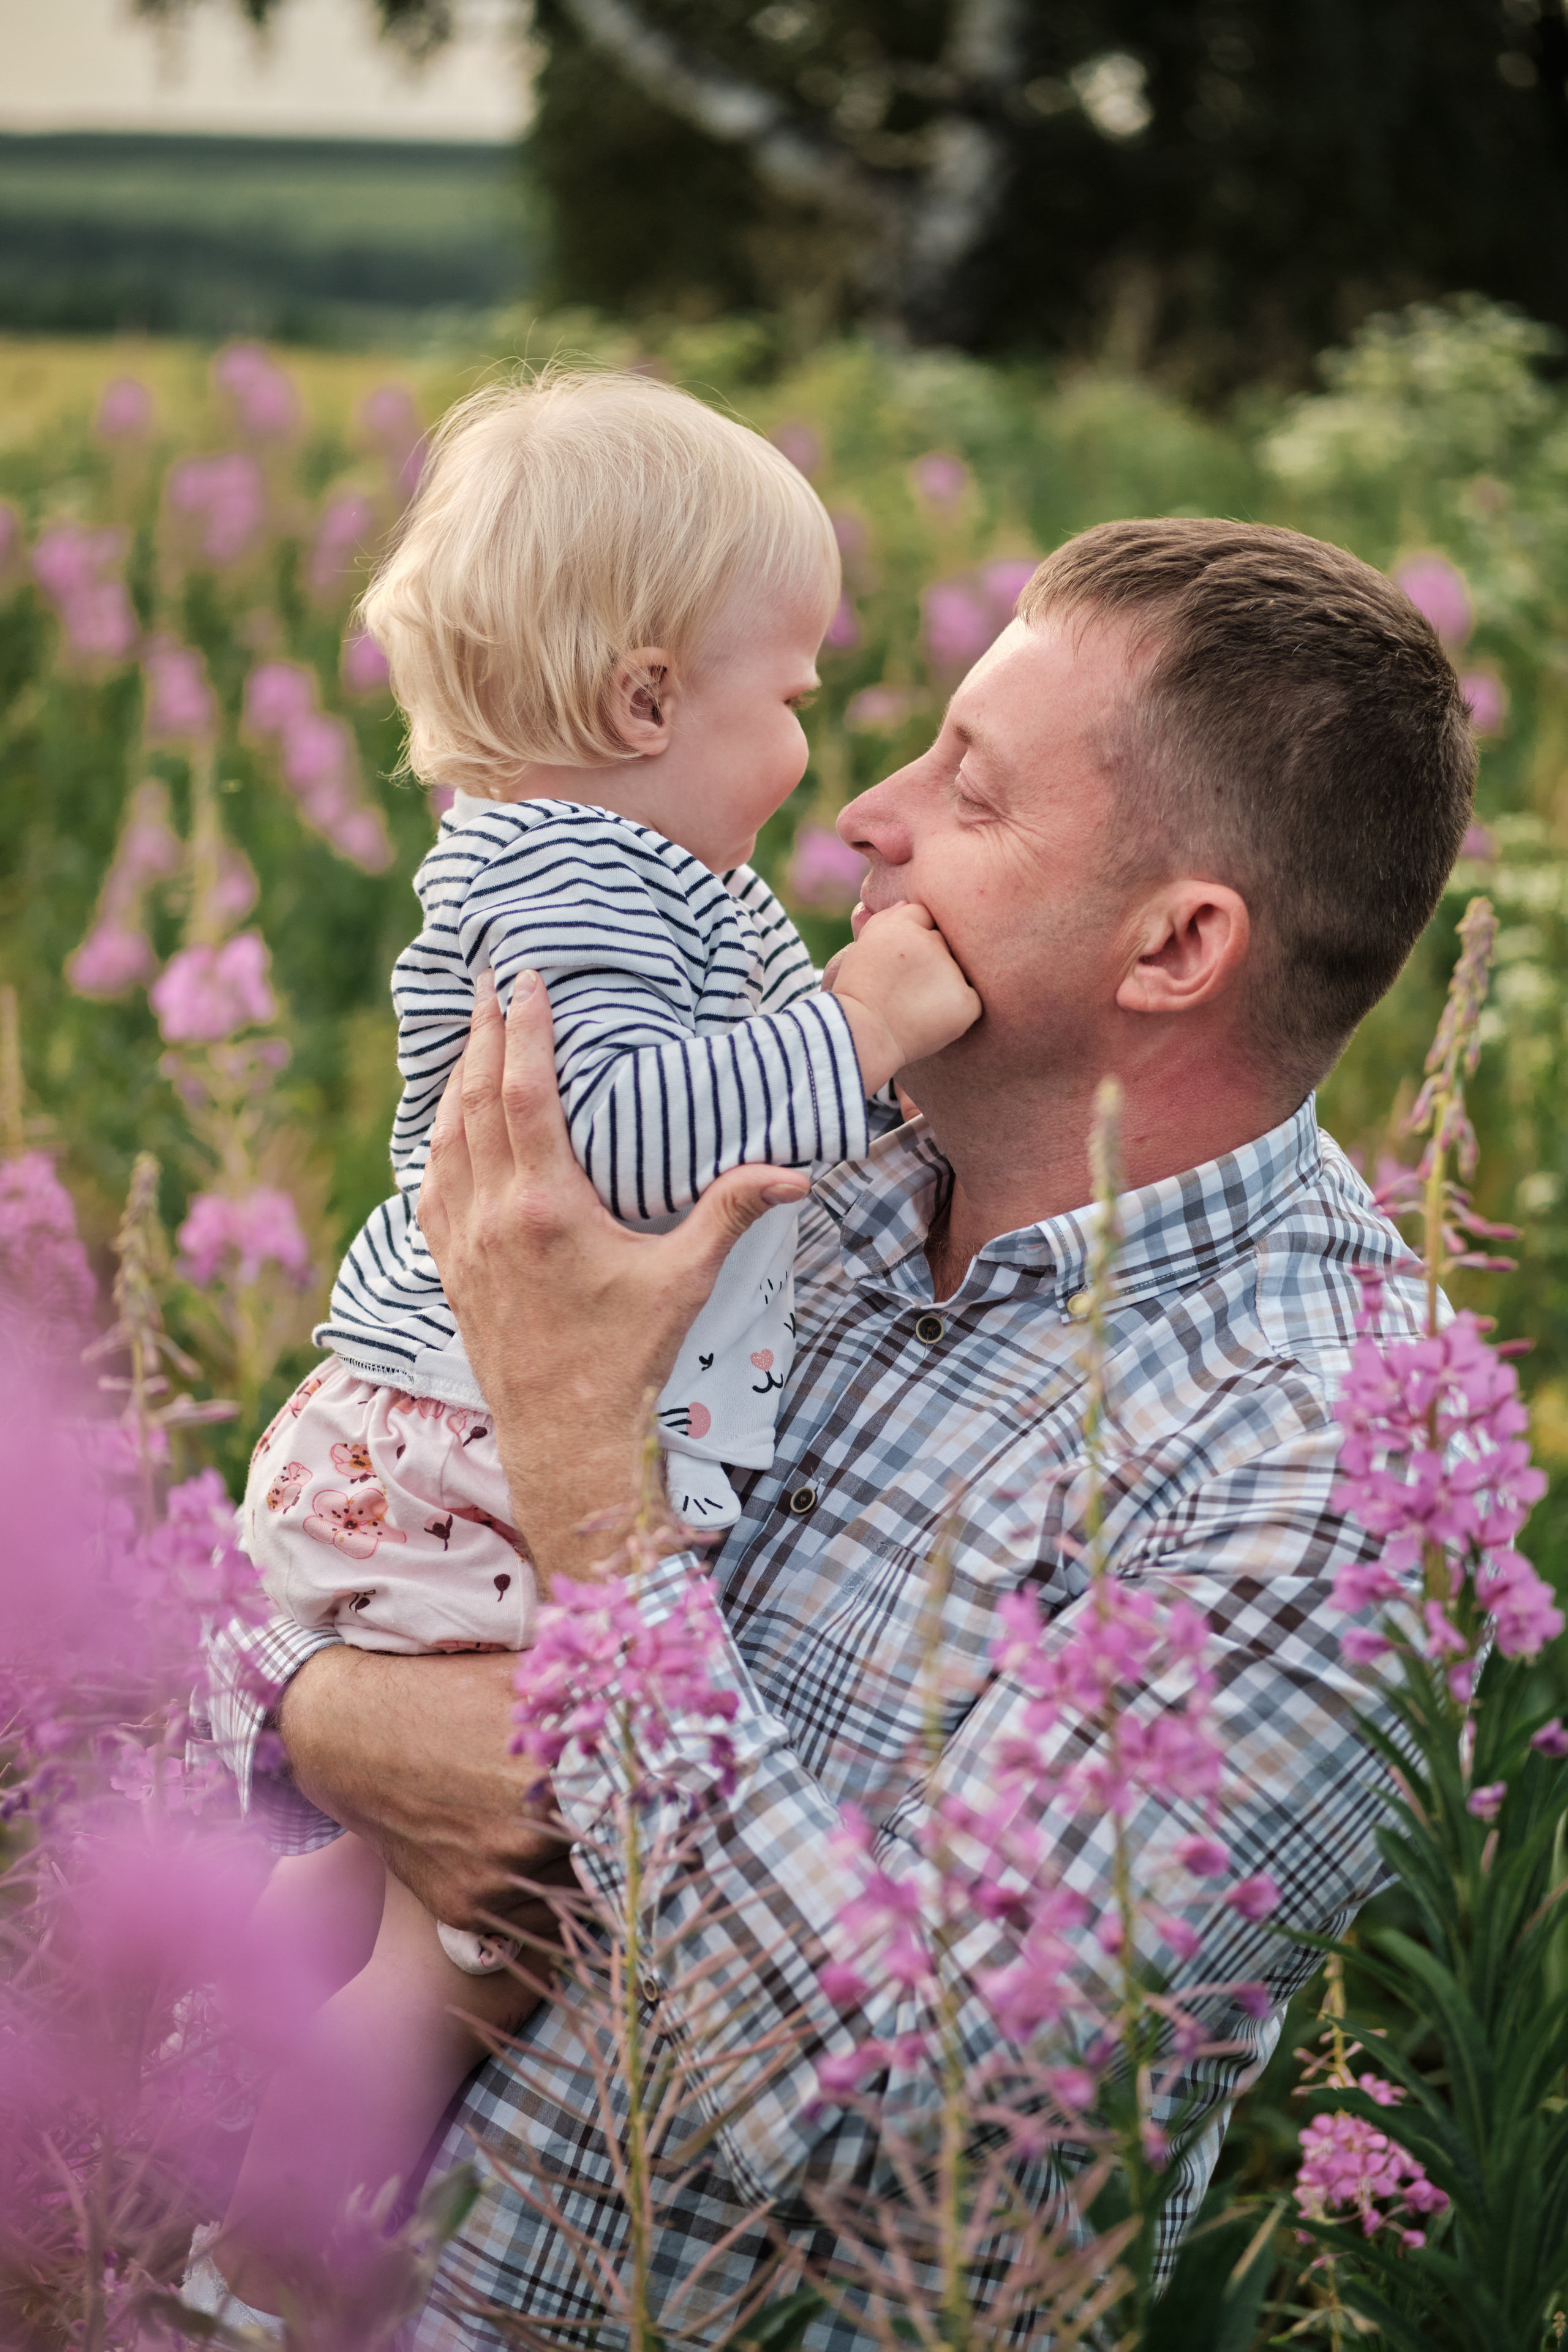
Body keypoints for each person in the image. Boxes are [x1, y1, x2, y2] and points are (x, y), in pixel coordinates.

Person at [204, 516, 1476, 2345]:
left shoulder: (1342, 1453)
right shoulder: (774, 1136)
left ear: (1178, 943)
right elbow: (322, 1530)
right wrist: (325, 1714)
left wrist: (589, 1488)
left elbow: (926, 2144)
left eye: (970, 789)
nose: (863, 817)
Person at [190, 369, 980, 2324]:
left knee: (405, 1878)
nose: (819, 749)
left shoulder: (605, 874)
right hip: (470, 1449)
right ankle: (264, 2258)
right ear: (643, 706)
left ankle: (220, 2018)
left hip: (426, 1438)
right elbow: (609, 1144)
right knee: (501, 1926)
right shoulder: (574, 875)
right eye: (791, 693)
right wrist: (863, 1022)